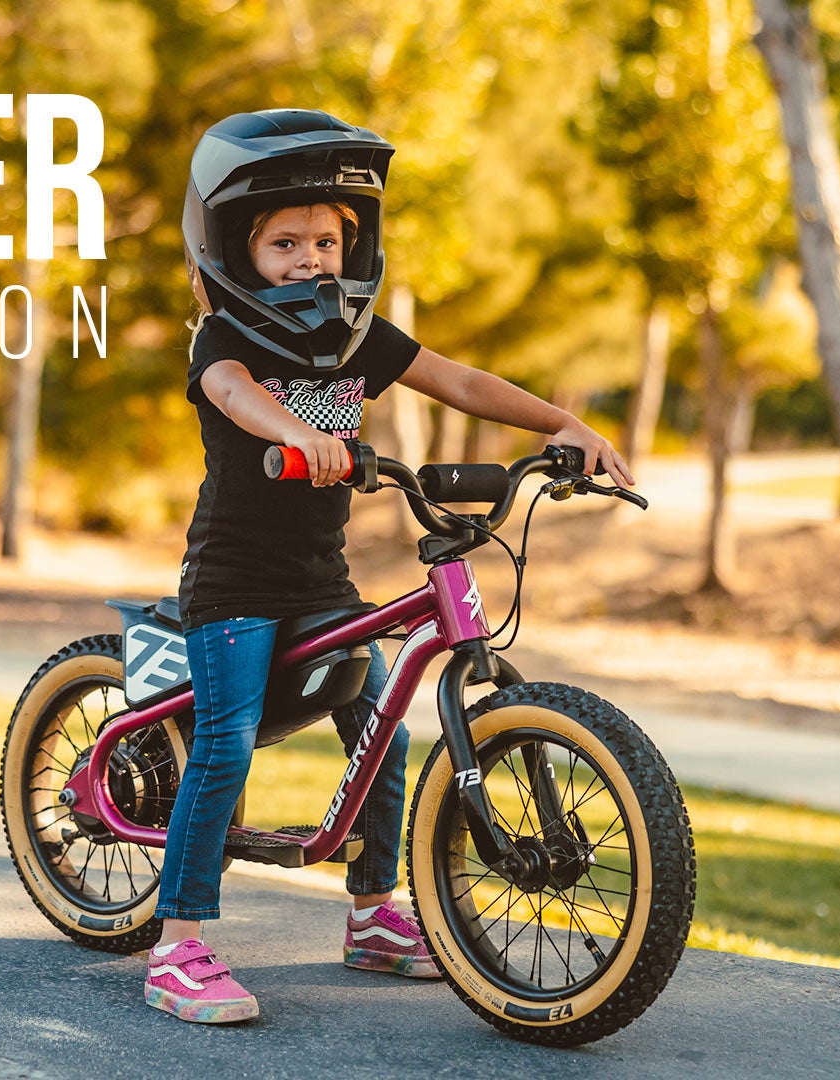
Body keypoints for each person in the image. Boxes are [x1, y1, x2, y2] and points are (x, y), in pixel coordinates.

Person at [145, 108, 635, 1025]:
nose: (310, 259)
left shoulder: (358, 338)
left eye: (326, 239)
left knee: (387, 729)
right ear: (233, 251)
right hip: (235, 586)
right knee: (223, 740)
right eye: (284, 242)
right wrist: (301, 434)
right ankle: (178, 946)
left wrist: (562, 426)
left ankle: (374, 912)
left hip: (320, 583)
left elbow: (459, 382)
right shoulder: (225, 340)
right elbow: (234, 397)